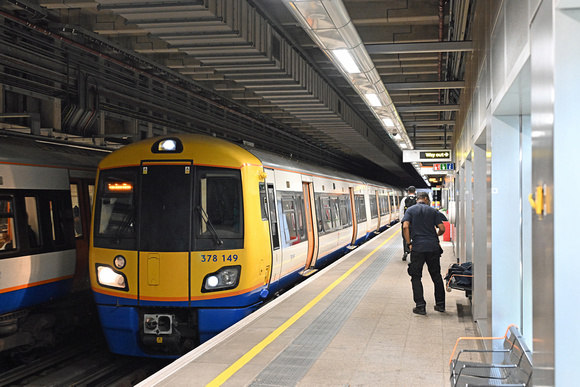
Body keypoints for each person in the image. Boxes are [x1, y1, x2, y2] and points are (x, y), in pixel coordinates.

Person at [402, 191, 447, 315]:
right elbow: (442, 228)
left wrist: (409, 243)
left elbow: (405, 226)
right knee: (436, 276)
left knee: (416, 277)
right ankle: (440, 305)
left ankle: (420, 306)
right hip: (433, 247)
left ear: (418, 199)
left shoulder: (410, 210)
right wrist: (435, 236)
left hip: (417, 247)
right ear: (426, 199)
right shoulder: (433, 211)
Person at [398, 186, 417, 261]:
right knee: (415, 238)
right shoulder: (417, 199)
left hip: (406, 222)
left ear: (408, 191)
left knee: (405, 237)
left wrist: (402, 221)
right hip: (415, 223)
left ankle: (406, 251)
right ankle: (414, 253)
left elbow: (401, 211)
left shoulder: (404, 199)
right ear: (414, 191)